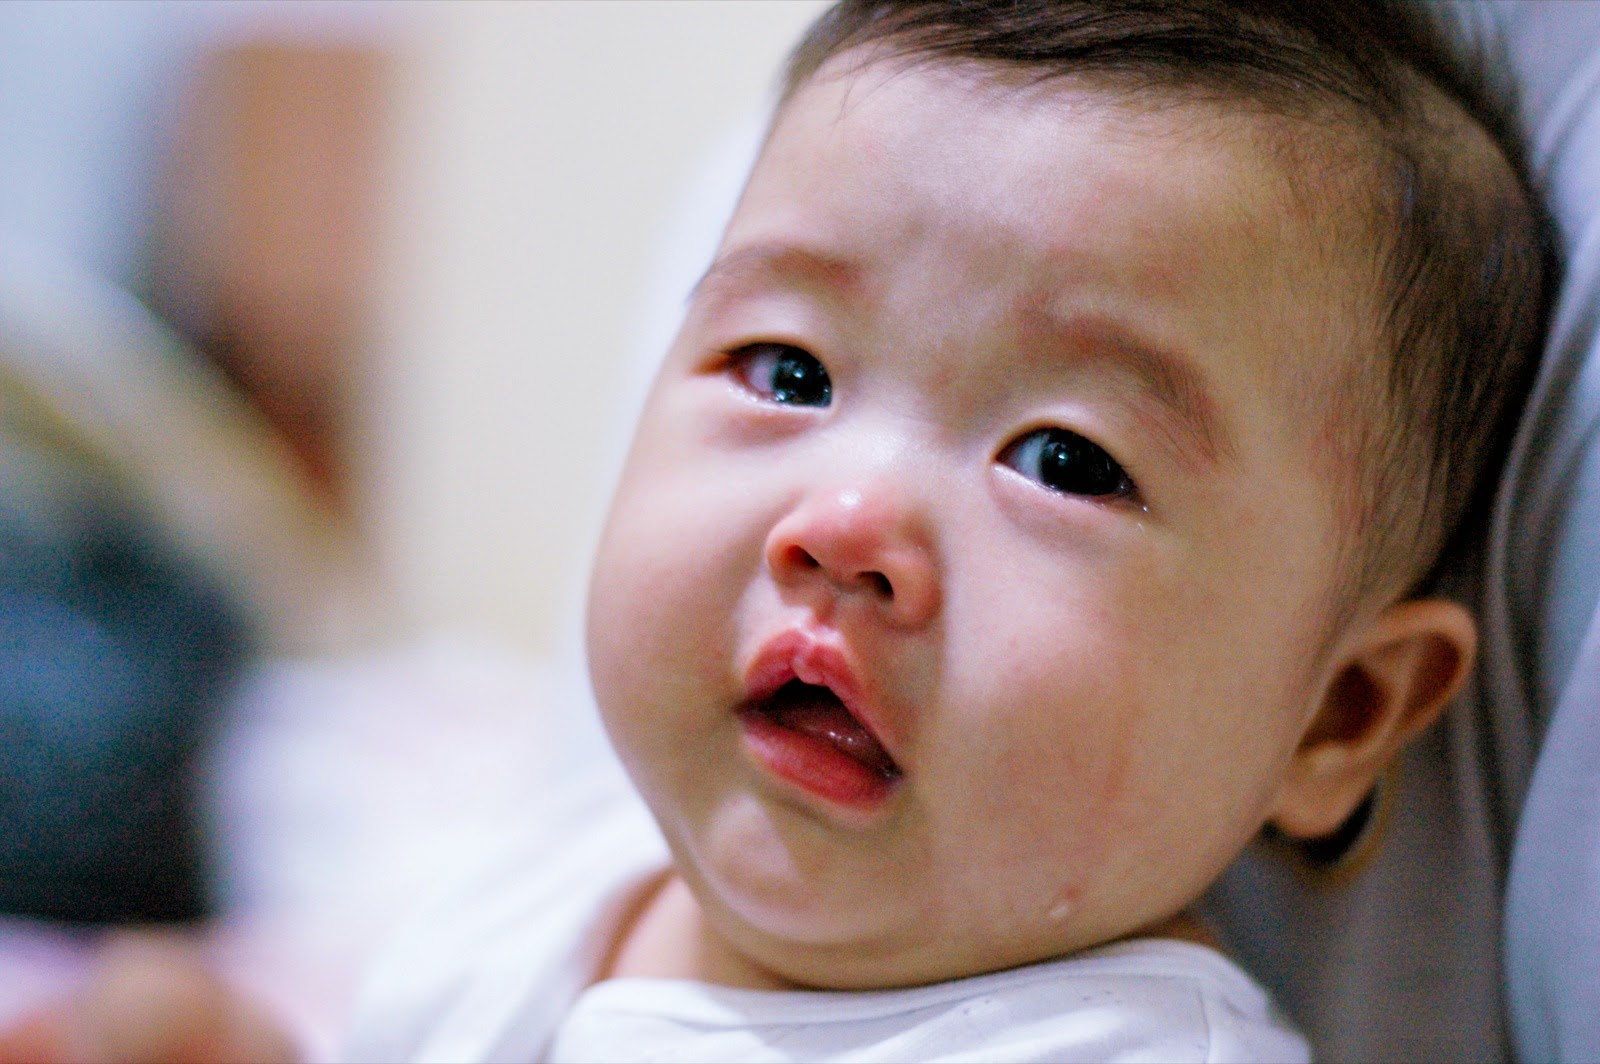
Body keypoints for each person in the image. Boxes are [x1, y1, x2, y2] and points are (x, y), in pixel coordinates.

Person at [341, 0, 1548, 1060]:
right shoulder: (553, 887)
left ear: (1338, 713)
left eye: (1066, 462)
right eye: (787, 371)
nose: (847, 525)